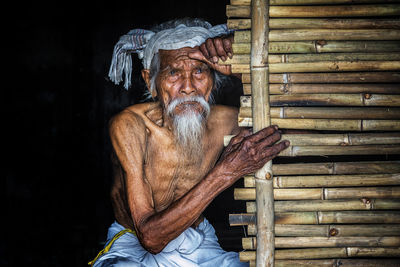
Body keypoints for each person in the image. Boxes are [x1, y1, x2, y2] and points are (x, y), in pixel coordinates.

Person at [91, 18, 289, 267]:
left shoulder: (226, 120)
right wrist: (227, 171)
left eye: (199, 71)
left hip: (199, 243)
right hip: (133, 246)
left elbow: (292, 122)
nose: (188, 87)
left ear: (213, 76)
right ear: (150, 80)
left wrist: (243, 70)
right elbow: (150, 238)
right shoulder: (130, 125)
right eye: (173, 73)